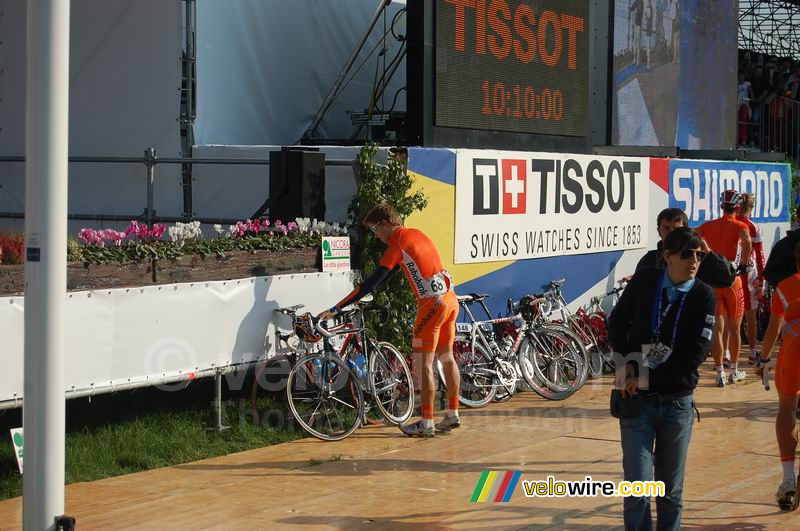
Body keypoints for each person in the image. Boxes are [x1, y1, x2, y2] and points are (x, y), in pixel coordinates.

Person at [319, 203, 461, 438]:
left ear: (385, 224)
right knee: (447, 357)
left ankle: (426, 423)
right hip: (450, 300)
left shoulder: (398, 243)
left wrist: (336, 308)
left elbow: (371, 283)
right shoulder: (416, 234)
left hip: (431, 304)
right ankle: (453, 414)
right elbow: (397, 271)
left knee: (423, 364)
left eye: (375, 230)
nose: (375, 236)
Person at [609, 227, 716, 531]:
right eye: (687, 254)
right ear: (667, 257)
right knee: (638, 489)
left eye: (699, 254)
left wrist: (645, 378)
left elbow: (694, 356)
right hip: (636, 402)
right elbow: (617, 323)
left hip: (676, 403)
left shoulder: (703, 296)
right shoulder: (646, 281)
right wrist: (627, 366)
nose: (694, 260)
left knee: (670, 492)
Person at [755, 242, 800, 510]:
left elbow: (773, 326)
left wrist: (763, 358)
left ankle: (788, 480)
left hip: (794, 348)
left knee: (786, 408)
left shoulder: (785, 287)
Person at [697, 190, 752, 386]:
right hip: (731, 279)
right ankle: (734, 371)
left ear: (721, 206)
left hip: (712, 281)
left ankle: (719, 372)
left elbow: (693, 235)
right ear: (738, 207)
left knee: (717, 329)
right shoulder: (740, 225)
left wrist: (701, 255)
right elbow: (747, 241)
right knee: (734, 329)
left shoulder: (708, 226)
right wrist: (744, 264)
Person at [736, 193, 766, 363]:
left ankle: (725, 354)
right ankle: (752, 351)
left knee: (728, 316)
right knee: (750, 315)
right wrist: (762, 278)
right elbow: (760, 256)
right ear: (751, 208)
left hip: (731, 274)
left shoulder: (729, 223)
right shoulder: (753, 227)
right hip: (749, 274)